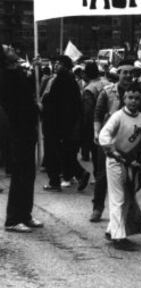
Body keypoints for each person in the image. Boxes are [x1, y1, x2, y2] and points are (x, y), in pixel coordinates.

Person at [99, 83, 141, 251]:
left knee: (128, 197)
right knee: (118, 198)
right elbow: (103, 135)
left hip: (131, 162)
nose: (133, 101)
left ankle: (111, 230)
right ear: (124, 99)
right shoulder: (118, 116)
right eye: (130, 98)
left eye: (136, 98)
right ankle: (119, 237)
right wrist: (112, 151)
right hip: (115, 161)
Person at [0, 45, 43, 232]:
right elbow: (18, 105)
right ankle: (12, 219)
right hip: (17, 130)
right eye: (7, 49)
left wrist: (35, 70)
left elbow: (28, 90)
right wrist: (35, 108)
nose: (12, 48)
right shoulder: (3, 77)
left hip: (27, 129)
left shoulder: (16, 71)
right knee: (19, 175)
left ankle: (25, 214)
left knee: (29, 173)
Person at [90, 61, 134, 223]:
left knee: (127, 177)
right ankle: (97, 208)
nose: (128, 76)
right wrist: (96, 131)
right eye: (125, 73)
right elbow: (98, 113)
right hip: (109, 139)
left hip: (129, 141)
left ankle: (125, 212)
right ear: (119, 73)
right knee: (102, 175)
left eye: (131, 73)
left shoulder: (137, 93)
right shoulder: (107, 92)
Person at [41, 55, 89, 192]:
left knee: (53, 153)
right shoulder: (69, 80)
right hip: (62, 125)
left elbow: (58, 105)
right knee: (61, 153)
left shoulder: (62, 81)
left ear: (65, 66)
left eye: (59, 63)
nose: (55, 66)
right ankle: (79, 174)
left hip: (56, 125)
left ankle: (56, 181)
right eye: (55, 63)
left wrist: (44, 104)